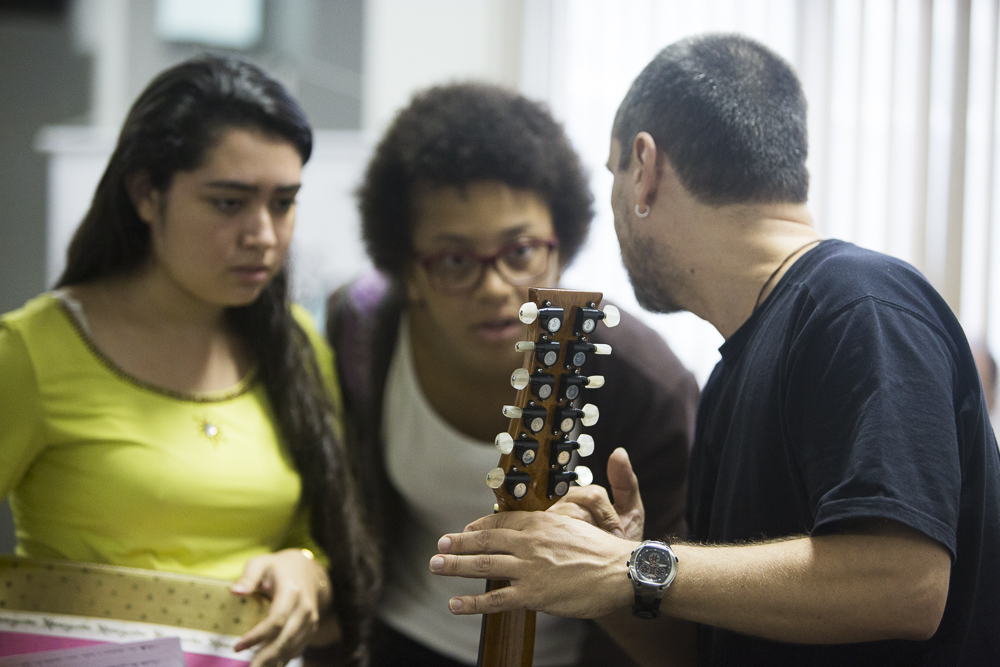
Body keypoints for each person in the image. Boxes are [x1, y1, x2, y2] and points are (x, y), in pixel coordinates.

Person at [428, 34, 1000, 665]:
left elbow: (906, 584)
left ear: (644, 168)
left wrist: (636, 567)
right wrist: (610, 578)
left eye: (614, 172)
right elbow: (705, 650)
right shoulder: (734, 372)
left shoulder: (859, 305)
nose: (616, 206)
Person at [0, 55, 379, 667]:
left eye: (283, 202)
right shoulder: (33, 351)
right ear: (147, 193)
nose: (262, 234)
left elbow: (322, 536)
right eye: (229, 203)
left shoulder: (295, 345)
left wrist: (304, 568)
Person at [325, 83, 698, 667]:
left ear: (562, 243)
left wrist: (616, 572)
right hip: (396, 639)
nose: (495, 286)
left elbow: (681, 643)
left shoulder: (645, 386)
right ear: (408, 269)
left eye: (520, 250)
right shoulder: (362, 332)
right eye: (453, 261)